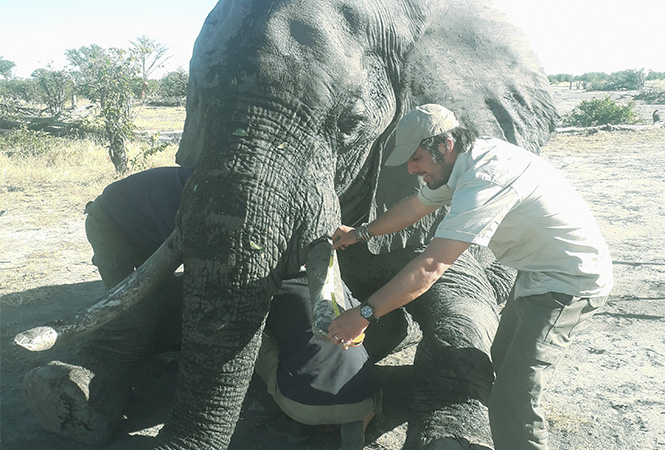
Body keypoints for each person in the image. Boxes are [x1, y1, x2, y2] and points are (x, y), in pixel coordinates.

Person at [328, 104, 613, 450]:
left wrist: (365, 314)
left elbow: (432, 265)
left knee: (516, 393)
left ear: (444, 146)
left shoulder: (486, 177)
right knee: (501, 359)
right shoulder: (462, 164)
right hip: (535, 275)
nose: (411, 168)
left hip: (568, 281)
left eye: (417, 158)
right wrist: (360, 234)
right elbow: (415, 207)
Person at [85, 166, 379, 449]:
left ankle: (290, 415)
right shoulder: (195, 198)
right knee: (130, 307)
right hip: (112, 224)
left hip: (305, 403)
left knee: (237, 320)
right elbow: (193, 264)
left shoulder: (221, 186)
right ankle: (117, 364)